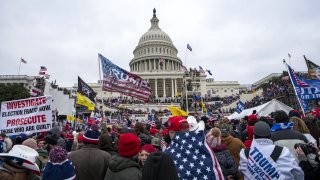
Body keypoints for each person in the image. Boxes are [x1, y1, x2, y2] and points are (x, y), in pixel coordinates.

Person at [239, 121, 304, 179]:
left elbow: (242, 171)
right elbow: (298, 173)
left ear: (253, 137)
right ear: (270, 135)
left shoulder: (244, 153)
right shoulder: (284, 151)